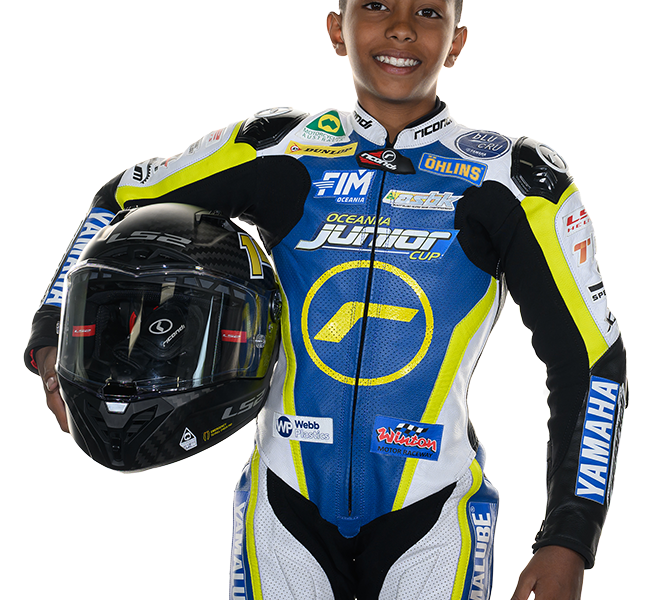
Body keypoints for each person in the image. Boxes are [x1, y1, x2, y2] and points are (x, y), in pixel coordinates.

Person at [24, 1, 627, 599]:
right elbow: (117, 198)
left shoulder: (513, 178)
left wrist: (568, 539)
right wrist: (51, 333)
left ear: (458, 41)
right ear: (337, 29)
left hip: (435, 509)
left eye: (428, 11)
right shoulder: (277, 147)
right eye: (376, 5)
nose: (401, 28)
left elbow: (593, 360)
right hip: (281, 503)